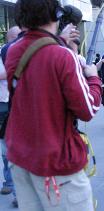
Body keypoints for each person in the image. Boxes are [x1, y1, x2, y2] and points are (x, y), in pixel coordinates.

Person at [5, 0, 102, 210]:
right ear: (56, 15)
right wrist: (94, 79)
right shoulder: (62, 55)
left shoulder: (13, 50)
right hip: (56, 164)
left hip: (21, 158)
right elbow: (87, 109)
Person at [0, 26, 21, 208]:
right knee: (6, 149)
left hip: (12, 106)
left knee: (9, 150)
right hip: (4, 106)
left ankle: (15, 189)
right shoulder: (7, 51)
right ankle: (11, 184)